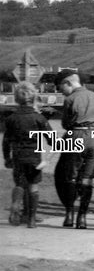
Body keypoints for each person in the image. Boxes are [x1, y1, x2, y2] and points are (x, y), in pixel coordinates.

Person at [54, 69, 94, 229]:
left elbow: (65, 124)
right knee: (88, 178)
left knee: (69, 177)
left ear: (68, 83)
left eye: (62, 87)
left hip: (75, 136)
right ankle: (82, 218)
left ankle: (69, 215)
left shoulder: (71, 99)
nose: (61, 91)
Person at [2, 82, 53, 228]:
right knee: (33, 186)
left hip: (18, 156)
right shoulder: (39, 118)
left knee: (19, 183)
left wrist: (7, 158)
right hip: (34, 157)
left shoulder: (11, 119)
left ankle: (16, 204)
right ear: (34, 98)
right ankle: (31, 219)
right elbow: (51, 140)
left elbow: (6, 142)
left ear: (17, 99)